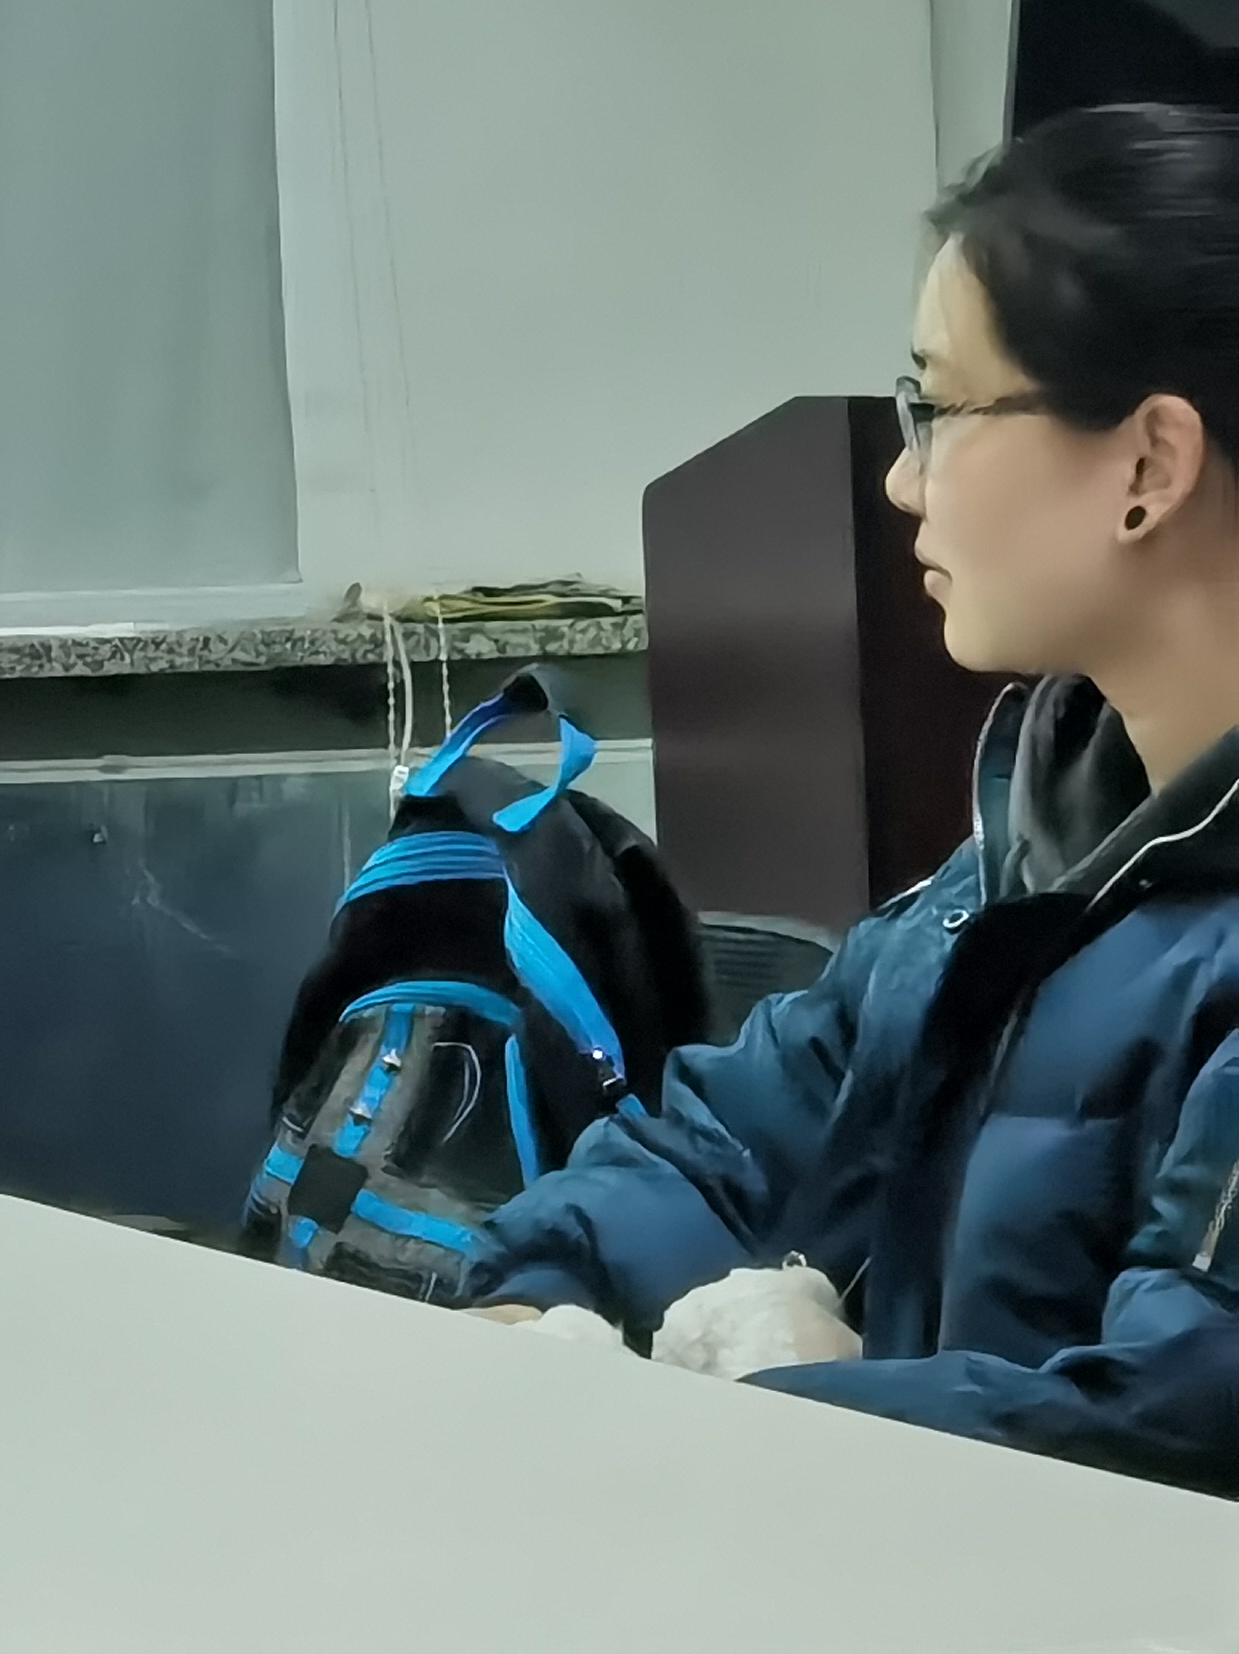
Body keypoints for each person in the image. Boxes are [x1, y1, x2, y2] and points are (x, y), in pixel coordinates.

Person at [456, 100, 1239, 1482]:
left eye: (940, 409)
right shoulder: (1032, 852)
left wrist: (784, 1408)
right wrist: (535, 1298)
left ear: (1149, 464)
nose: (900, 477)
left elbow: (1178, 1420)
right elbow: (726, 1148)